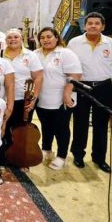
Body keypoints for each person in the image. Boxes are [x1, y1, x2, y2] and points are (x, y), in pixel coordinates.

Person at [68, 12, 112, 173]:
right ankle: (78, 155)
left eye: (97, 23)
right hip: (81, 86)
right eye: (90, 23)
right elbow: (68, 65)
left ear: (103, 26)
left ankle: (99, 158)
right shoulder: (74, 43)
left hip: (103, 87)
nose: (93, 26)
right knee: (80, 123)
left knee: (101, 124)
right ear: (84, 26)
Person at [34, 27, 82, 170]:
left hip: (61, 99)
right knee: (46, 126)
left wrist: (67, 94)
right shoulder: (36, 54)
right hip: (42, 97)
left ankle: (61, 156)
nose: (46, 40)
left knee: (61, 129)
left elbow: (75, 75)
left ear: (56, 37)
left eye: (49, 36)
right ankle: (46, 149)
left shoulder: (65, 53)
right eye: (42, 37)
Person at [2, 29, 43, 156]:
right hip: (3, 99)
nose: (12, 39)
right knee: (3, 128)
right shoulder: (0, 54)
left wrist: (34, 99)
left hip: (23, 99)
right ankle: (5, 155)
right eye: (9, 37)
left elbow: (38, 77)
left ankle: (21, 157)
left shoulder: (30, 55)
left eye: (16, 37)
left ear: (21, 39)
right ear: (5, 40)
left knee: (22, 130)